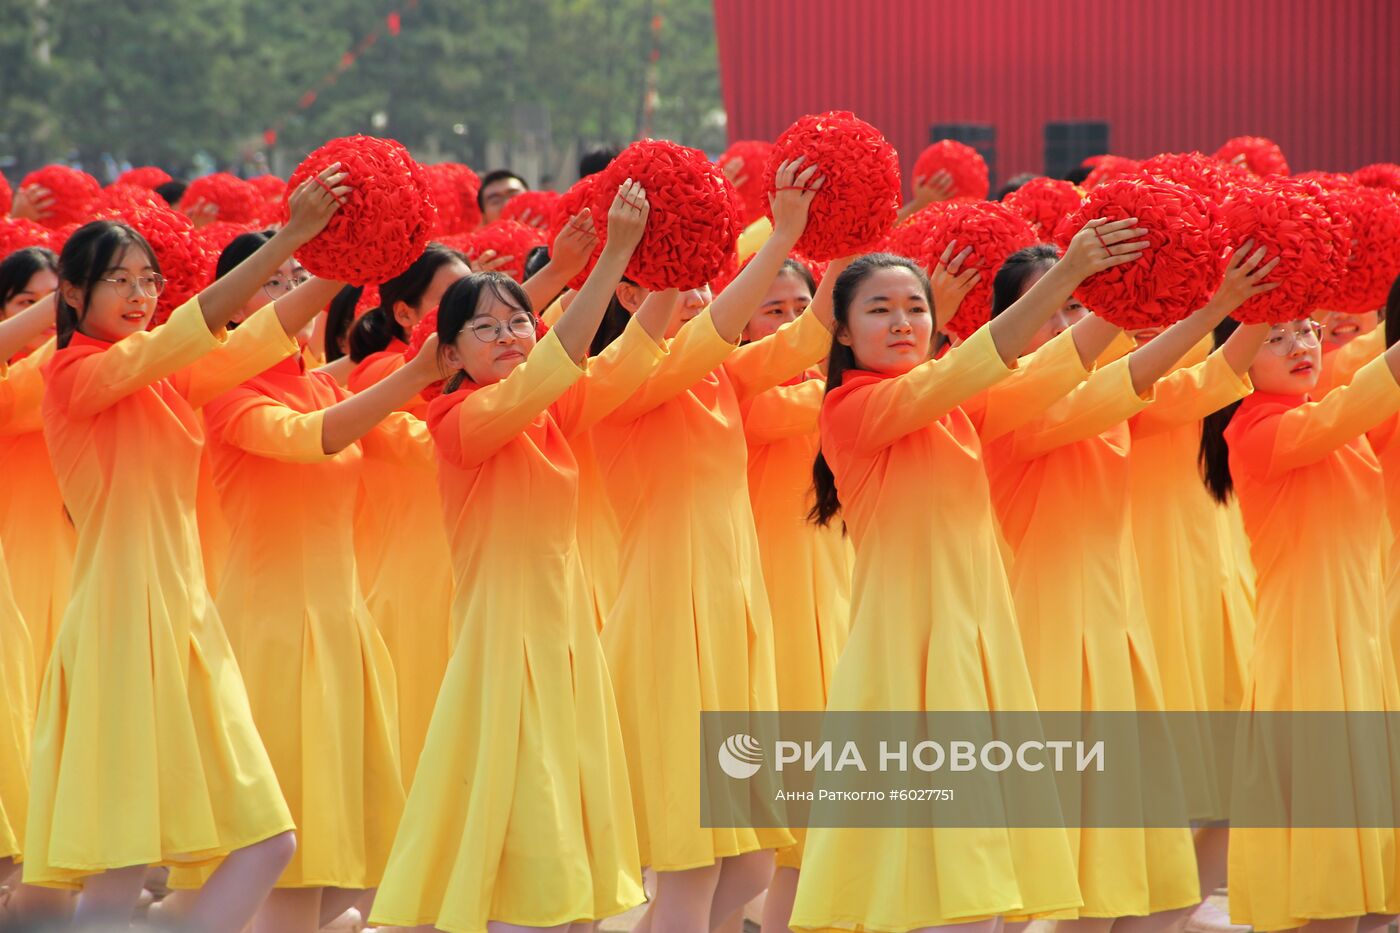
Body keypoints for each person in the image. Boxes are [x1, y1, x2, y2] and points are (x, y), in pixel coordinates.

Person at [791, 216, 1148, 933]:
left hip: (976, 647)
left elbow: (1049, 368)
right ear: (842, 333)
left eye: (916, 307)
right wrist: (1068, 274)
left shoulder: (955, 409)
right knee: (927, 878)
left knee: (975, 881)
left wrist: (1131, 297)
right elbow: (967, 367)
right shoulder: (851, 407)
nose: (902, 322)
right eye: (880, 310)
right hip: (907, 651)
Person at [24, 164, 348, 933]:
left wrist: (341, 265)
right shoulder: (76, 373)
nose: (140, 293)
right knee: (121, 860)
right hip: (118, 619)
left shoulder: (169, 378)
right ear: (72, 295)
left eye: (149, 278)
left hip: (183, 620)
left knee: (269, 841)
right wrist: (295, 237)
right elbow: (189, 334)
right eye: (119, 280)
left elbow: (252, 338)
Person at [370, 180, 662, 933]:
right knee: (521, 831)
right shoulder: (460, 418)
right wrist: (613, 257)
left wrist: (671, 264)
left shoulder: (548, 409)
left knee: (566, 828)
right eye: (487, 328)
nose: (508, 336)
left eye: (519, 323)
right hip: (505, 641)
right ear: (450, 354)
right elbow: (556, 363)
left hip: (564, 639)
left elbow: (632, 357)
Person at [977, 243, 1277, 933]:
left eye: (1078, 307)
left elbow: (1217, 373)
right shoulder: (1006, 406)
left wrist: (1268, 297)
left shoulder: (1114, 401)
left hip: (1118, 639)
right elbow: (1128, 368)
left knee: (1152, 887)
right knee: (1042, 873)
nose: (1070, 323)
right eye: (1051, 308)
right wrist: (1203, 300)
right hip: (1047, 639)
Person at [1199, 305, 1400, 932]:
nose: (1301, 345)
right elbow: (1352, 403)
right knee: (1326, 890)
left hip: (1358, 646)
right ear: (1239, 357)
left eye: (1308, 330)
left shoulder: (1317, 417)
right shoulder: (1254, 429)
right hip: (1308, 651)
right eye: (1275, 337)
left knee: (1372, 895)